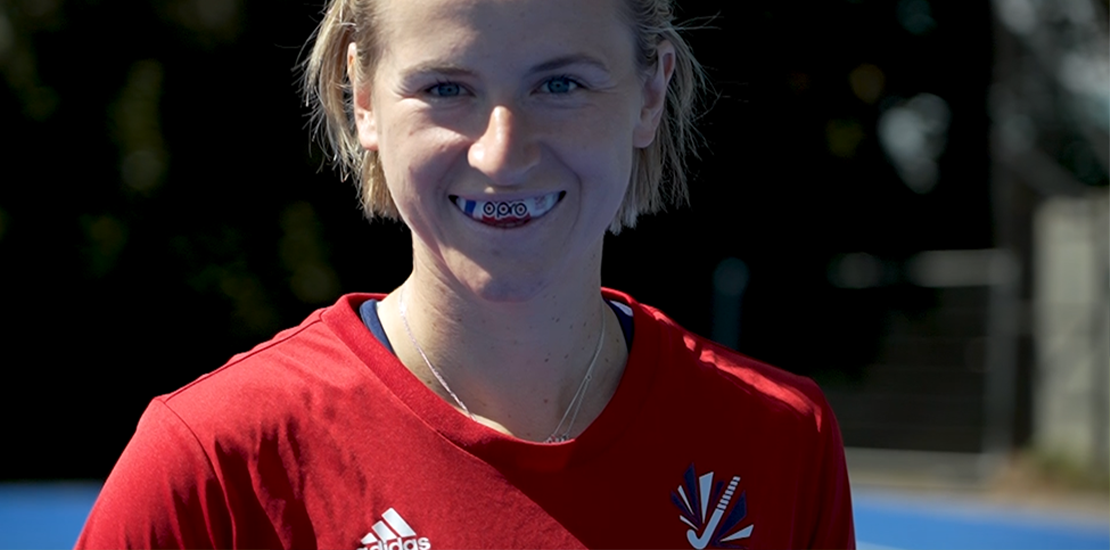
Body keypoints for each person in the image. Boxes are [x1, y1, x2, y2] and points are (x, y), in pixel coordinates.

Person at [77, 0, 855, 548]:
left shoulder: (781, 439)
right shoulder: (215, 461)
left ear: (651, 92)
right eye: (447, 88)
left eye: (560, 84)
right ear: (364, 98)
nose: (501, 154)